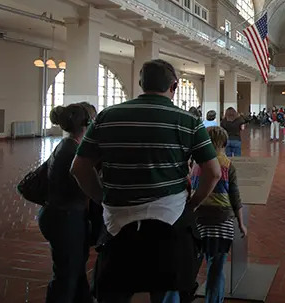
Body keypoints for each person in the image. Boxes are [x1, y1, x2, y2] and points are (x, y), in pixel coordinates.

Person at [71, 59, 222, 303]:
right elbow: (213, 172)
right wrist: (192, 203)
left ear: (141, 83)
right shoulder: (189, 121)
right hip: (170, 220)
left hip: (117, 222)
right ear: (173, 86)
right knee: (165, 288)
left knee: (116, 287)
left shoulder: (107, 116)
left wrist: (102, 197)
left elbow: (79, 168)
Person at [39, 103, 95, 303]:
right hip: (65, 219)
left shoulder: (67, 145)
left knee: (76, 271)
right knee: (67, 276)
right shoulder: (73, 152)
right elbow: (88, 187)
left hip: (60, 215)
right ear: (87, 124)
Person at [191, 126, 246, 303]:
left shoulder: (196, 163)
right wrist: (241, 223)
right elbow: (235, 196)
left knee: (195, 264)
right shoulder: (227, 165)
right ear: (224, 142)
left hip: (198, 220)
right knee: (216, 269)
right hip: (221, 221)